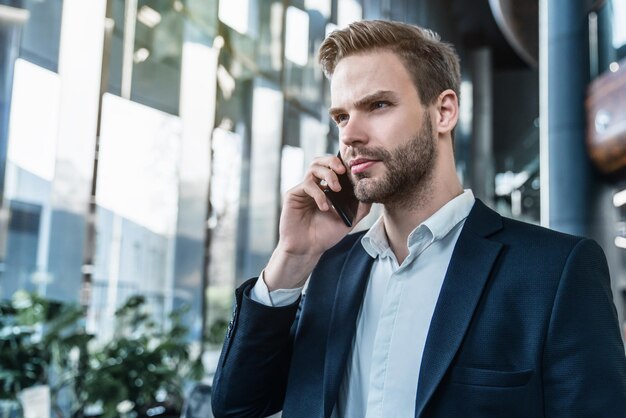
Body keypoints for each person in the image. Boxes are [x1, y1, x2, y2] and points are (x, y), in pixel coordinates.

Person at [211, 20, 626, 418]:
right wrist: (292, 256)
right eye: (341, 116)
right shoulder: (327, 267)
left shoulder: (552, 272)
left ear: (443, 111)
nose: (350, 135)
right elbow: (237, 405)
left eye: (377, 105)